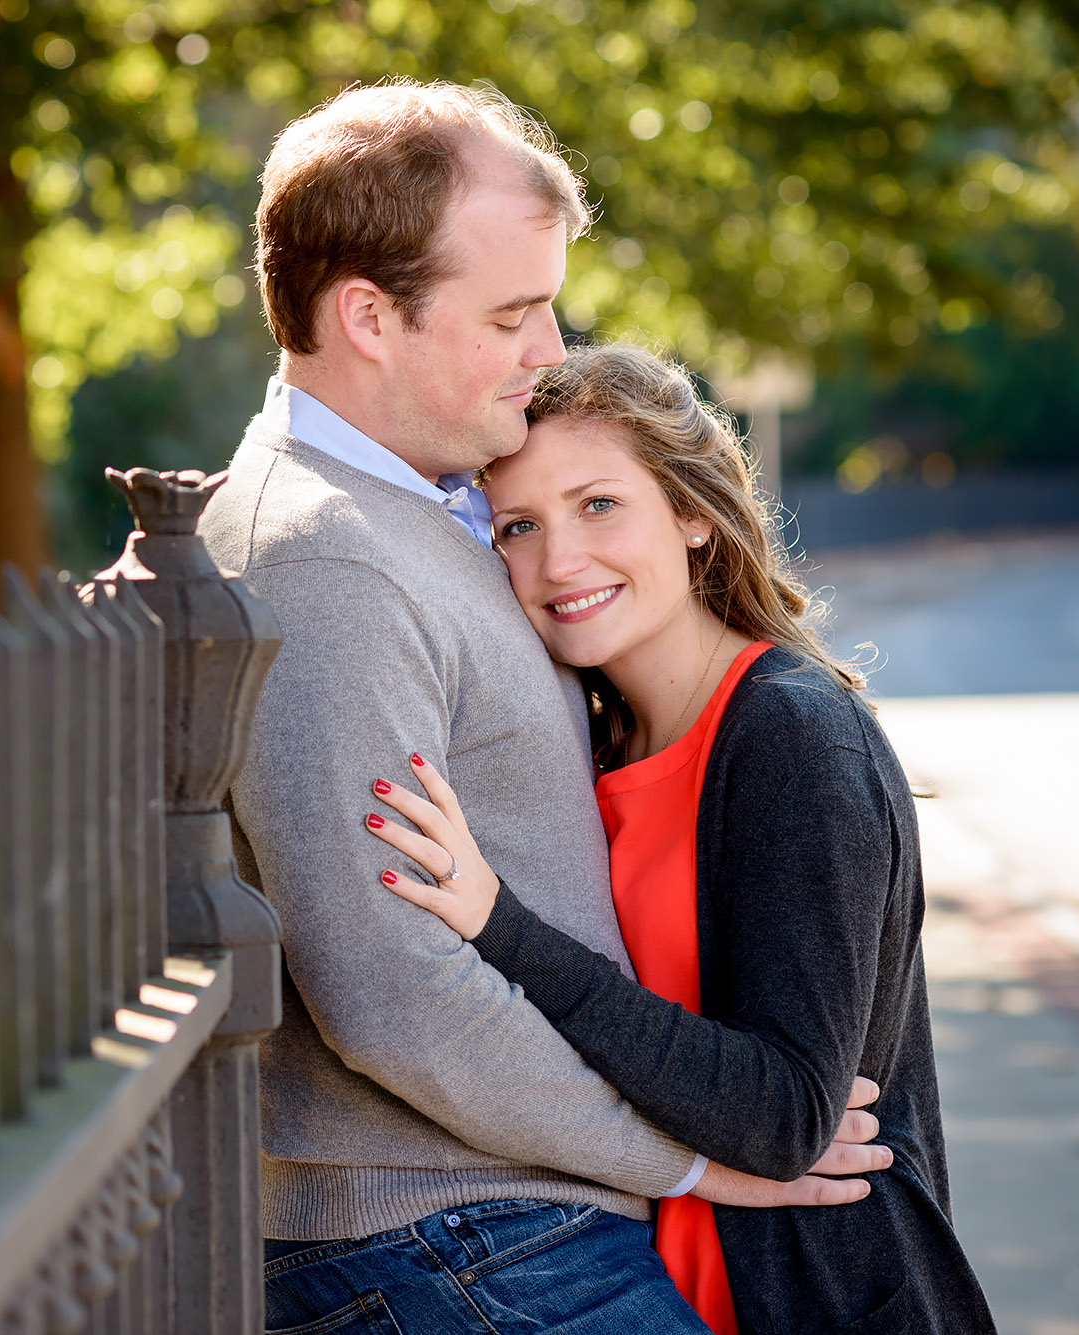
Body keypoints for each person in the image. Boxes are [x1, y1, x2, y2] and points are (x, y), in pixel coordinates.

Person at [199, 80, 887, 1335]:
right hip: (450, 1242)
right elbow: (390, 991)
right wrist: (687, 1162)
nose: (549, 350)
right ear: (366, 315)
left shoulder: (424, 515)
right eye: (512, 312)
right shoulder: (327, 557)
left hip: (514, 1229)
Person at [363, 342, 997, 1333]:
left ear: (692, 514)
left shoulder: (789, 736)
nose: (557, 560)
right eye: (517, 525)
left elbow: (784, 1116)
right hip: (649, 1284)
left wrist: (504, 928)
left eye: (597, 505)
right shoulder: (598, 744)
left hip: (812, 1298)